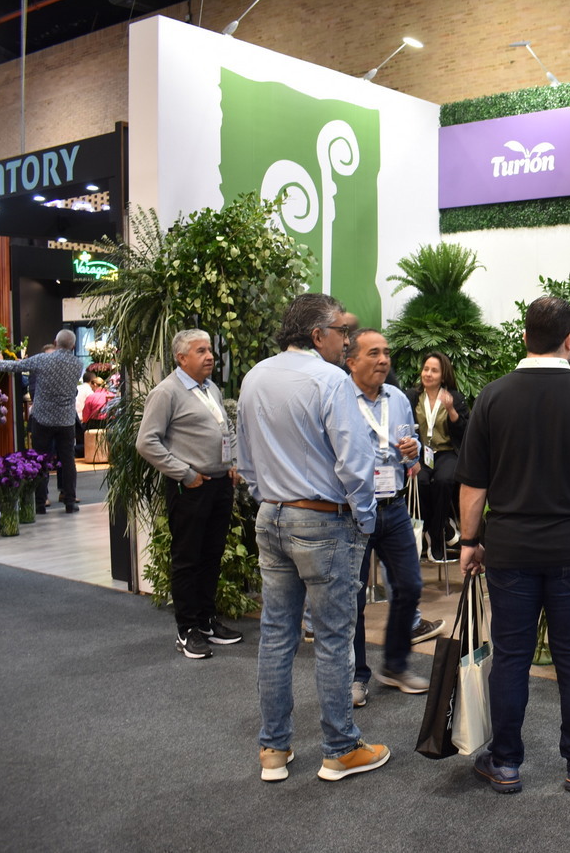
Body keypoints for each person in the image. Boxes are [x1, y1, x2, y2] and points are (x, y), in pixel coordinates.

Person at [456, 296, 570, 795]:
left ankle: (505, 762)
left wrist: (469, 541)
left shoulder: (492, 398)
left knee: (511, 655)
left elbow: (473, 484)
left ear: (524, 338)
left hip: (509, 549)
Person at [238, 293, 388, 783]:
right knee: (333, 638)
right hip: (324, 522)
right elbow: (355, 461)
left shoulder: (255, 376)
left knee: (276, 636)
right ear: (318, 334)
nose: (347, 341)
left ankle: (273, 750)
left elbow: (245, 459)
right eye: (342, 332)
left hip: (272, 517)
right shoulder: (331, 380)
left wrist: (272, 498)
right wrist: (364, 517)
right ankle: (340, 748)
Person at [135, 329, 243, 660]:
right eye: (201, 351)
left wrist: (233, 462)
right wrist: (185, 473)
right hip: (190, 487)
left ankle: (206, 621)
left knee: (211, 556)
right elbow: (146, 442)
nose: (210, 356)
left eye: (209, 349)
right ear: (181, 358)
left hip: (219, 484)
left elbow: (225, 429)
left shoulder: (210, 388)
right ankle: (187, 629)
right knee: (187, 559)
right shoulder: (166, 392)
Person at [344, 328, 435, 709]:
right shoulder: (339, 400)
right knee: (352, 599)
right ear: (351, 362)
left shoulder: (397, 398)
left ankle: (395, 665)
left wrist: (414, 451)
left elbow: (413, 451)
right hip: (353, 510)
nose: (384, 359)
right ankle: (355, 675)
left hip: (394, 507)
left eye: (386, 352)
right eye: (374, 353)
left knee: (410, 586)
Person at [0, 330, 82, 513]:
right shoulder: (78, 364)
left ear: (55, 342)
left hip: (42, 418)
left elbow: (18, 366)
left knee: (40, 460)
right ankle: (70, 502)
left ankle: (40, 503)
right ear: (73, 346)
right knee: (68, 461)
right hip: (66, 420)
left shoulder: (42, 359)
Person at [405, 351, 470, 561]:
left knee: (444, 480)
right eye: (426, 369)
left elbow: (465, 432)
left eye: (434, 370)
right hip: (421, 452)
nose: (428, 374)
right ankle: (440, 528)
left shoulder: (454, 398)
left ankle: (436, 534)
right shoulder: (412, 397)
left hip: (446, 452)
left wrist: (451, 410)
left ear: (443, 375)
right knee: (421, 481)